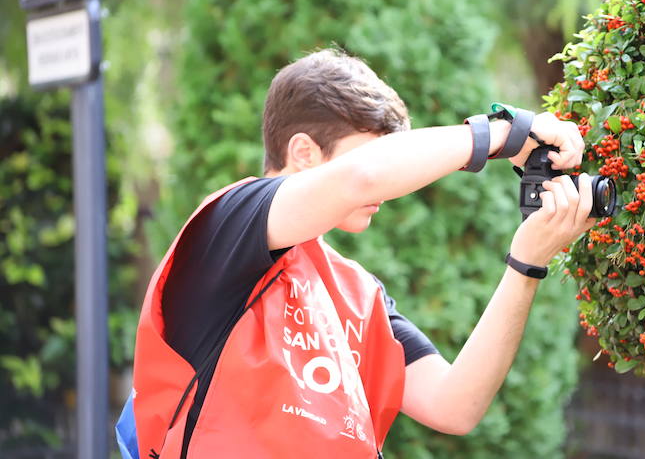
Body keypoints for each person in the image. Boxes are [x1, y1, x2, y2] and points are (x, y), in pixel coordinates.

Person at [118, 49, 596, 458]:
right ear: (303, 153)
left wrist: (525, 262)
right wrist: (503, 134)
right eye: (375, 154)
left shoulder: (358, 293)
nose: (390, 185)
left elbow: (456, 405)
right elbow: (361, 178)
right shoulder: (229, 222)